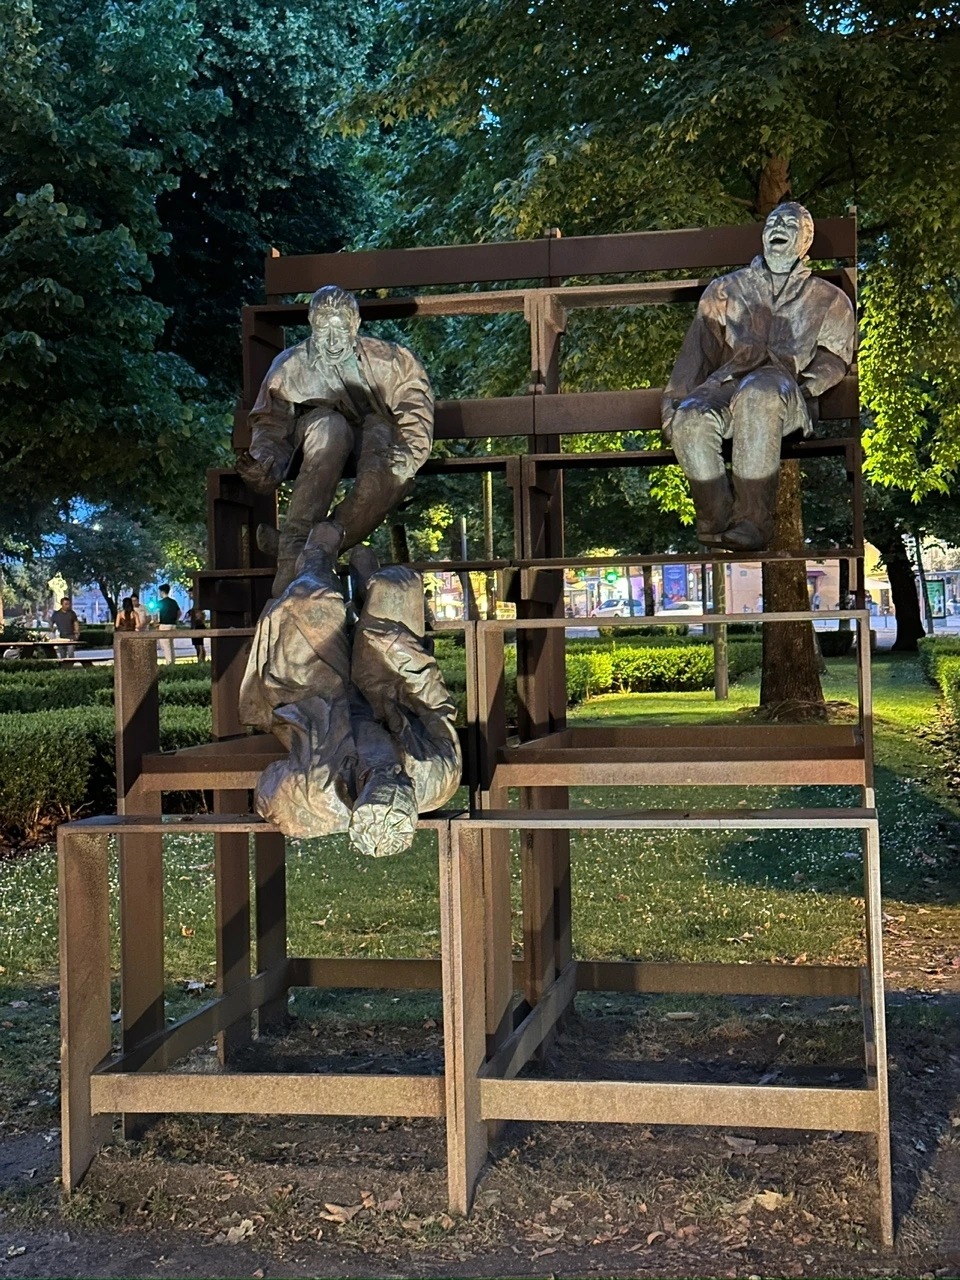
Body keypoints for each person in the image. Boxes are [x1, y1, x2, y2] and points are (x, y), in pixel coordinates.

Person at [662, 202, 856, 551]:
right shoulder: (724, 290)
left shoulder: (829, 298)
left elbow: (834, 357)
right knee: (690, 417)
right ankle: (718, 521)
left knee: (760, 392)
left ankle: (753, 523)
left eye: (789, 224)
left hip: (784, 391)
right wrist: (674, 403)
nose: (778, 227)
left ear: (805, 241)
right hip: (727, 386)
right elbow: (696, 354)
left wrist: (807, 387)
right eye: (772, 222)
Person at [236, 285, 434, 595]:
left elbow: (414, 407)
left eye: (340, 328)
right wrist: (265, 464)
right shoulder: (289, 367)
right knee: (331, 429)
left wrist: (411, 452)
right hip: (321, 435)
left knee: (386, 476)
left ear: (355, 325)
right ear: (311, 324)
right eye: (323, 328)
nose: (331, 340)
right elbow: (271, 424)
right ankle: (292, 560)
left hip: (376, 433)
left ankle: (300, 546)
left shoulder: (393, 361)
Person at [155, 584, 181, 664]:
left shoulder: (161, 602)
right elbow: (179, 612)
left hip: (164, 625)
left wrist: (155, 622)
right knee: (171, 644)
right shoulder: (173, 602)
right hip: (173, 625)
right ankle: (173, 661)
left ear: (162, 592)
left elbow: (155, 613)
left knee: (165, 645)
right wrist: (176, 620)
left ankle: (169, 663)